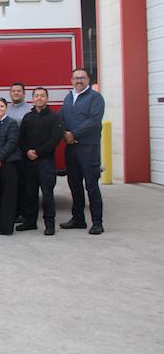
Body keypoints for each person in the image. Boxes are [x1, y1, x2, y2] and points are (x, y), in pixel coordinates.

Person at [60, 68, 105, 235]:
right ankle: (78, 219)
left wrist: (74, 134)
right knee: (74, 184)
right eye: (75, 78)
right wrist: (64, 133)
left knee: (91, 185)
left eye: (82, 78)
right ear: (71, 80)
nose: (79, 81)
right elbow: (62, 117)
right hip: (71, 148)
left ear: (88, 79)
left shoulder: (96, 98)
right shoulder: (68, 96)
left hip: (88, 148)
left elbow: (94, 121)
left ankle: (97, 223)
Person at [17, 87, 64, 235]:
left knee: (47, 194)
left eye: (42, 96)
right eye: (36, 96)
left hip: (46, 161)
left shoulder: (54, 117)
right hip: (29, 161)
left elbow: (55, 139)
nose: (39, 98)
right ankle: (30, 222)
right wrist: (27, 151)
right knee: (30, 193)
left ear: (47, 98)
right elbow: (21, 138)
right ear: (32, 98)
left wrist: (38, 152)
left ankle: (49, 224)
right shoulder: (27, 117)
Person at [0, 98, 21, 235]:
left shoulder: (12, 123)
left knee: (9, 196)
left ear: (6, 108)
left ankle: (6, 228)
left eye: (2, 106)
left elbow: (12, 143)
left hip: (9, 163)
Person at [6, 83, 32, 223]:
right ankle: (14, 211)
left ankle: (24, 212)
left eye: (18, 91)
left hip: (23, 152)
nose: (16, 93)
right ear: (10, 93)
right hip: (9, 153)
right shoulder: (6, 109)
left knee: (24, 184)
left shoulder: (29, 110)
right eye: (13, 91)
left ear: (24, 93)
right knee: (12, 184)